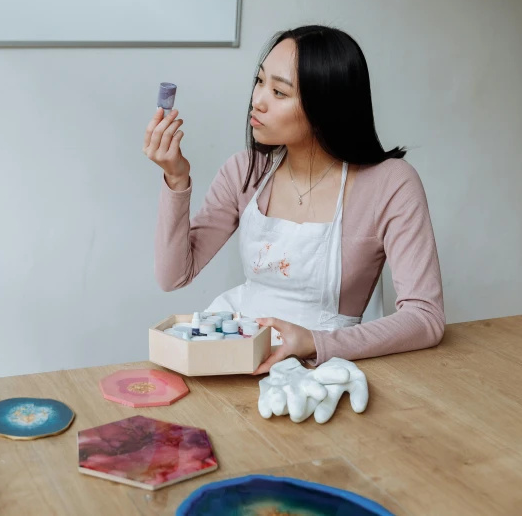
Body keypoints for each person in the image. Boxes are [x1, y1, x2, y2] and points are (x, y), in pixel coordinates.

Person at [143, 25, 445, 374]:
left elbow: (426, 318)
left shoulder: (389, 184)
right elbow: (172, 276)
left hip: (323, 371)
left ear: (324, 107)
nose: (257, 100)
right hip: (235, 360)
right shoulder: (246, 170)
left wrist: (316, 343)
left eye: (279, 92)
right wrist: (176, 179)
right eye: (259, 81)